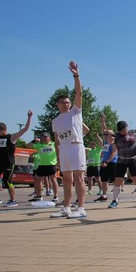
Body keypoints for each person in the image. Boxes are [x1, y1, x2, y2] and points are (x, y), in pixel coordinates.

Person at [50, 61, 88, 219]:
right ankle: (66, 207)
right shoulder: (55, 121)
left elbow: (79, 93)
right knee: (66, 179)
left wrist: (76, 75)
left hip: (76, 147)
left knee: (79, 178)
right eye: (62, 102)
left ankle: (81, 207)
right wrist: (58, 158)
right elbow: (57, 141)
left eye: (67, 102)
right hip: (64, 150)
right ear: (57, 104)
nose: (65, 104)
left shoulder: (75, 112)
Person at [0, 110, 33, 208]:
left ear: (4, 129)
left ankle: (13, 200)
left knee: (7, 181)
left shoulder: (11, 137)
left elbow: (25, 129)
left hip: (8, 162)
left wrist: (29, 117)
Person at [103, 115, 136, 209]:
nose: (122, 131)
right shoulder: (116, 136)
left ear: (127, 127)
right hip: (121, 160)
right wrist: (110, 141)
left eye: (123, 129)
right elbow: (107, 136)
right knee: (118, 181)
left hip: (133, 159)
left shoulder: (134, 133)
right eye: (120, 130)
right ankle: (115, 201)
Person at [31, 132, 59, 204]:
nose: (44, 138)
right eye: (42, 137)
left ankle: (55, 196)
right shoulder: (39, 145)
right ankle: (39, 196)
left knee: (53, 179)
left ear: (49, 138)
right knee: (38, 179)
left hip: (51, 164)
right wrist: (34, 140)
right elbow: (28, 145)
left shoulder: (54, 144)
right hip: (42, 164)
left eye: (45, 137)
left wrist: (58, 163)